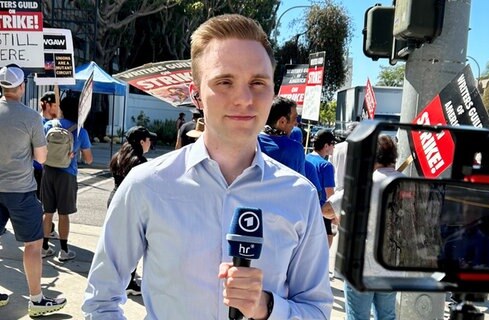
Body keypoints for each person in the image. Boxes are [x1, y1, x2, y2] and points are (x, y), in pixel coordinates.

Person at [82, 14, 333, 319]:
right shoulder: (146, 184)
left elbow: (317, 310)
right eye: (225, 82)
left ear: (272, 91)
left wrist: (267, 307)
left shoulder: (300, 196)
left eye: (257, 82)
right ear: (196, 94)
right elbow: (101, 300)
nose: (244, 99)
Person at [0, 65, 67, 316]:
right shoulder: (30, 117)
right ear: (21, 86)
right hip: (21, 190)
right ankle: (36, 299)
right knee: (34, 244)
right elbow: (41, 157)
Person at [343, 134, 402, 320]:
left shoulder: (363, 184)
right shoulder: (410, 184)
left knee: (357, 316)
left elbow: (328, 208)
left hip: (361, 267)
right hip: (392, 266)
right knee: (387, 316)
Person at [41, 95, 93, 261]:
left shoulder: (49, 125)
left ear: (61, 108)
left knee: (47, 212)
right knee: (64, 214)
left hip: (48, 171)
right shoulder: (80, 131)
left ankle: (44, 247)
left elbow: (40, 149)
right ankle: (63, 251)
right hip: (67, 174)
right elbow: (89, 159)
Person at [108, 126, 156, 296]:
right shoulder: (140, 162)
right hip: (131, 205)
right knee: (134, 244)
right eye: (149, 139)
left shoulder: (118, 157)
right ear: (142, 141)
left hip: (114, 200)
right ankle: (129, 281)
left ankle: (120, 278)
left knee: (116, 244)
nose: (150, 142)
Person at [306, 129, 338, 247]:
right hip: (321, 210)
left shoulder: (305, 158)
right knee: (327, 239)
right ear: (326, 146)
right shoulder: (326, 165)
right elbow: (330, 194)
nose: (333, 147)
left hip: (306, 206)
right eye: (332, 144)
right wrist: (335, 216)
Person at [35, 91, 60, 238]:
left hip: (50, 169)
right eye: (55, 104)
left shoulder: (57, 122)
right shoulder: (37, 121)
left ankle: (48, 227)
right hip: (37, 168)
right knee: (40, 202)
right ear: (46, 104)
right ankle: (46, 228)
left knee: (48, 202)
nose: (57, 107)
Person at [258, 96, 305, 174]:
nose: (296, 123)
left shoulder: (251, 142)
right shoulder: (295, 150)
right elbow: (301, 184)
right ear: (282, 122)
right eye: (294, 118)